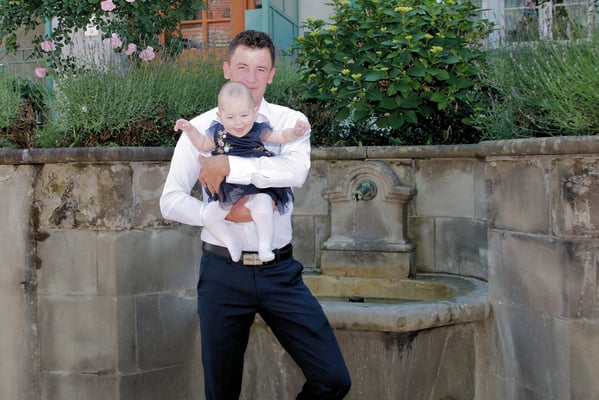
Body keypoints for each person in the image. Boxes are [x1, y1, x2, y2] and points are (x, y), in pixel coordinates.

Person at [160, 30, 351, 400]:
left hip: (279, 272)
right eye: (242, 67)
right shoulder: (202, 128)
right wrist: (217, 214)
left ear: (272, 75)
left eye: (261, 69)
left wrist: (229, 165)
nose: (251, 78)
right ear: (226, 69)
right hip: (222, 272)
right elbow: (170, 200)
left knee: (333, 379)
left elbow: (294, 173)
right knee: (221, 393)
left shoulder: (289, 123)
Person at [173, 81, 310, 263]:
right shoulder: (219, 134)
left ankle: (265, 245)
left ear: (254, 112)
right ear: (220, 116)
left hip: (255, 185)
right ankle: (231, 242)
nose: (238, 122)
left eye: (244, 115)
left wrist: (295, 132)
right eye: (230, 117)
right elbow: (203, 144)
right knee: (209, 216)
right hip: (229, 188)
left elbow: (281, 136)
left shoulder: (258, 130)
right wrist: (190, 129)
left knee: (263, 206)